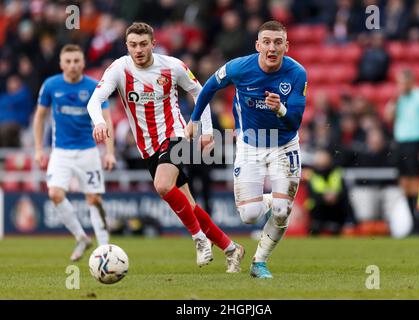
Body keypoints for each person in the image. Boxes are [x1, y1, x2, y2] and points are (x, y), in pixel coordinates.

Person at [87, 22, 245, 273]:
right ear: (126, 46)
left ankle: (199, 239)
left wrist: (205, 131)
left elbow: (200, 92)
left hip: (175, 134)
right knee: (189, 205)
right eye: (133, 45)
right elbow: (95, 100)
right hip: (147, 146)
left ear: (153, 44)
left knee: (162, 185)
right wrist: (98, 122)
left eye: (143, 44)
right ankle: (230, 248)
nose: (138, 49)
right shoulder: (119, 68)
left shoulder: (172, 66)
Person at [186, 20, 307, 278]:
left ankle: (259, 262)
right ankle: (278, 200)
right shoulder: (239, 68)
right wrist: (195, 120)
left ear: (286, 46)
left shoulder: (297, 73)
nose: (272, 48)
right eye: (266, 42)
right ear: (257, 45)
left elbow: (295, 121)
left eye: (277, 42)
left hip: (284, 144)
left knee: (281, 211)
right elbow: (208, 88)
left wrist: (280, 109)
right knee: (249, 216)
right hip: (249, 144)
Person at [33, 44, 116, 261]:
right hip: (60, 152)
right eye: (68, 61)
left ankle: (105, 249)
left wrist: (109, 152)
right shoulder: (51, 85)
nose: (72, 65)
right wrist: (39, 149)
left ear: (83, 63)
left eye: (76, 61)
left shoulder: (93, 87)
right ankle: (81, 237)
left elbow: (106, 119)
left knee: (94, 199)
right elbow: (39, 116)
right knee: (55, 194)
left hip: (88, 151)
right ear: (61, 64)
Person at [385, 69, 419, 235]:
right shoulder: (398, 99)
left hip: (415, 143)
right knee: (404, 183)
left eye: (403, 82)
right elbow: (388, 118)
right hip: (400, 143)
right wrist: (394, 100)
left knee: (415, 183)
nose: (401, 86)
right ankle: (413, 220)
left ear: (411, 81)